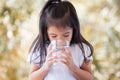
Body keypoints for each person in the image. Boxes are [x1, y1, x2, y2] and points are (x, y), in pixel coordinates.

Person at [28, 0, 94, 80]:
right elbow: (31, 78)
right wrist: (46, 67)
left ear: (74, 29)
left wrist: (73, 67)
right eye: (54, 36)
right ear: (46, 32)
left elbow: (89, 78)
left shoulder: (81, 48)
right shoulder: (40, 49)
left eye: (66, 35)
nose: (60, 40)